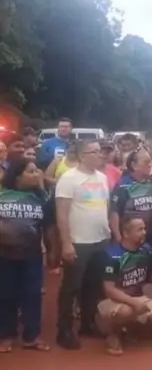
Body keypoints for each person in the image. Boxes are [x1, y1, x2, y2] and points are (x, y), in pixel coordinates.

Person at [55, 139, 111, 349]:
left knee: (93, 286)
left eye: (99, 151)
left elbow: (105, 207)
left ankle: (87, 324)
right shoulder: (69, 179)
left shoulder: (102, 178)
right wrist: (66, 243)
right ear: (81, 156)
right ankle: (64, 330)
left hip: (100, 240)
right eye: (93, 151)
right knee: (71, 287)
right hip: (78, 242)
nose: (99, 154)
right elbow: (61, 214)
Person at [0, 159, 55, 353]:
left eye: (37, 171)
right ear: (17, 176)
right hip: (4, 256)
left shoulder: (41, 198)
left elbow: (49, 227)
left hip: (32, 255)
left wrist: (53, 251)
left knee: (32, 294)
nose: (36, 175)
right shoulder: (2, 195)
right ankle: (6, 335)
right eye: (31, 172)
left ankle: (32, 336)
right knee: (5, 295)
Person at [97, 216, 152, 356]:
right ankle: (112, 333)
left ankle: (132, 328)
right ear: (126, 233)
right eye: (139, 230)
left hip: (138, 296)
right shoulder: (112, 255)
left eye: (144, 229)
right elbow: (109, 290)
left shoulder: (146, 250)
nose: (144, 232)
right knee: (126, 312)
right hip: (113, 300)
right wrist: (133, 302)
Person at [110, 147, 152, 244]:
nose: (150, 164)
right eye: (146, 162)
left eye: (151, 161)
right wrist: (118, 236)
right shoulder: (123, 185)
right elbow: (114, 212)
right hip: (133, 238)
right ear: (134, 165)